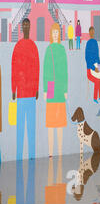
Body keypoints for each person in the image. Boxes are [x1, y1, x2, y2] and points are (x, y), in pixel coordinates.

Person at [11, 18, 39, 161]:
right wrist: (13, 89)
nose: (26, 27)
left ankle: (32, 156)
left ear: (30, 27)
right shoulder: (18, 46)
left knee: (31, 128)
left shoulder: (33, 46)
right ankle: (18, 156)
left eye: (28, 24)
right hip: (21, 94)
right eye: (24, 25)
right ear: (22, 27)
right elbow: (14, 68)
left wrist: (37, 88)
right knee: (20, 128)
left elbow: (36, 68)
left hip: (31, 94)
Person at [43, 23, 68, 158]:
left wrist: (65, 89)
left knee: (60, 122)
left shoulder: (62, 49)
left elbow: (65, 70)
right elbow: (45, 71)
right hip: (51, 86)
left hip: (60, 86)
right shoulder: (49, 50)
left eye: (57, 33)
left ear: (59, 35)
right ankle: (51, 152)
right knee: (51, 121)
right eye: (53, 33)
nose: (55, 35)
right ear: (51, 35)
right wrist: (45, 90)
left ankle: (59, 151)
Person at [85, 26, 100, 103]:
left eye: (93, 31)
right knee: (96, 81)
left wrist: (99, 66)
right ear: (89, 33)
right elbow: (87, 57)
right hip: (90, 69)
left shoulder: (95, 42)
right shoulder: (88, 43)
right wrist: (93, 67)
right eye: (91, 31)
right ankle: (95, 98)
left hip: (96, 66)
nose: (92, 32)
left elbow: (97, 55)